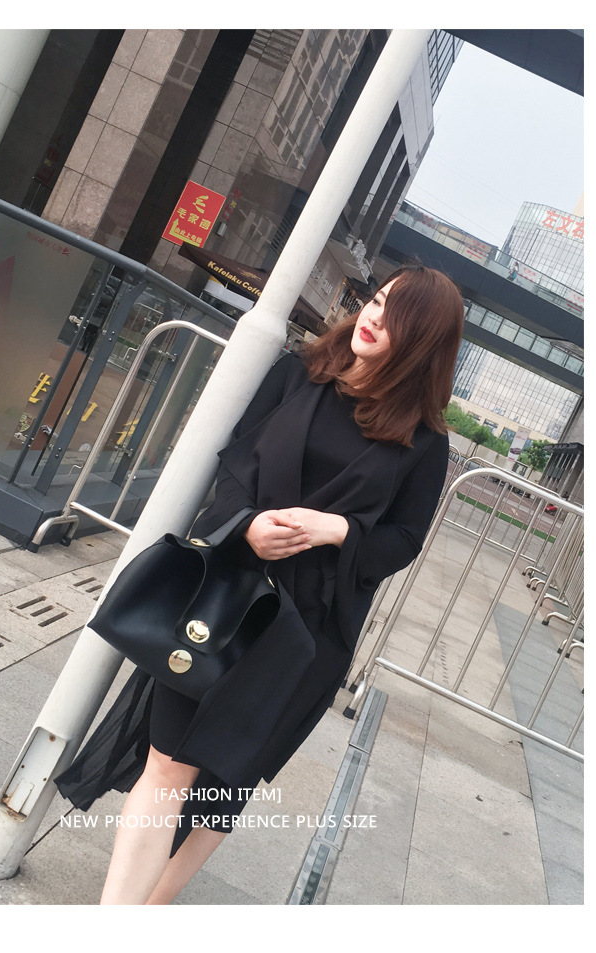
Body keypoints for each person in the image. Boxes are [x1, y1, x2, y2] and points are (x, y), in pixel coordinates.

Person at [55, 262, 465, 904]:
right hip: (227, 600)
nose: (373, 317)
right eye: (377, 300)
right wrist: (246, 526)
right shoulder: (299, 373)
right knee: (169, 761)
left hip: (307, 632)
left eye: (397, 316)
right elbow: (233, 463)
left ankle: (151, 908)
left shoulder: (425, 442)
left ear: (424, 342)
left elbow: (404, 540)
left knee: (226, 782)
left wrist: (338, 531)